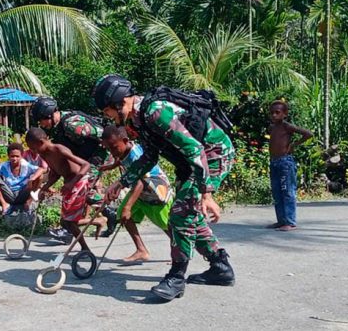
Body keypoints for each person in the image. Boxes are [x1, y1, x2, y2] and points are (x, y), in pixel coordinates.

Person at [93, 74, 235, 301]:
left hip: (213, 155)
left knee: (180, 215)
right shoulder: (136, 121)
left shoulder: (155, 113)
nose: (107, 116)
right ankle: (221, 267)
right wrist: (121, 182)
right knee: (189, 216)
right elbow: (149, 157)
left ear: (120, 103)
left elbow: (195, 148)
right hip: (191, 162)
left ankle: (176, 278)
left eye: (107, 111)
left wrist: (206, 192)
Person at [31, 97, 116, 238]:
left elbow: (104, 134)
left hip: (97, 156)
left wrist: (116, 156)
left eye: (41, 120)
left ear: (49, 115)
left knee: (81, 187)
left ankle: (103, 214)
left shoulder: (72, 124)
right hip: (83, 158)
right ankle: (102, 215)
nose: (41, 125)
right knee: (76, 187)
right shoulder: (57, 129)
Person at [26, 128, 106, 252]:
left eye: (34, 148)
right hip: (70, 184)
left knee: (68, 221)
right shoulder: (44, 154)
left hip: (79, 180)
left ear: (41, 142)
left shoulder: (58, 149)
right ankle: (97, 222)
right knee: (65, 222)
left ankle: (85, 249)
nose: (34, 152)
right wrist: (44, 189)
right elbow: (55, 174)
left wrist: (72, 183)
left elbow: (86, 165)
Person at [100, 125, 173, 262]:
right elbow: (120, 159)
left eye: (114, 148)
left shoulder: (136, 155)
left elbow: (141, 182)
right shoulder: (123, 150)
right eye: (109, 149)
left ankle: (179, 250)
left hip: (155, 191)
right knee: (122, 214)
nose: (113, 152)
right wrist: (112, 166)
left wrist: (128, 207)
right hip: (140, 191)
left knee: (165, 224)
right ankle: (141, 250)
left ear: (126, 140)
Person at [268, 100, 313, 232]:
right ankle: (281, 220)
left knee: (287, 191)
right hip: (274, 162)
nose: (274, 115)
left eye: (277, 112)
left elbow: (308, 134)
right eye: (272, 113)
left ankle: (290, 222)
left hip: (285, 162)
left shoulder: (286, 126)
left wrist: (294, 145)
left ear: (285, 114)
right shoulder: (272, 128)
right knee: (277, 192)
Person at [0, 143, 45, 212]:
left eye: (17, 156)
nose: (14, 159)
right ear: (8, 156)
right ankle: (4, 203)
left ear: (21, 156)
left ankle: (29, 201)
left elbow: (41, 169)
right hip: (9, 194)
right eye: (12, 156)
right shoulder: (4, 166)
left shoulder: (26, 165)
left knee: (39, 176)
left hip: (23, 194)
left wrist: (32, 179)